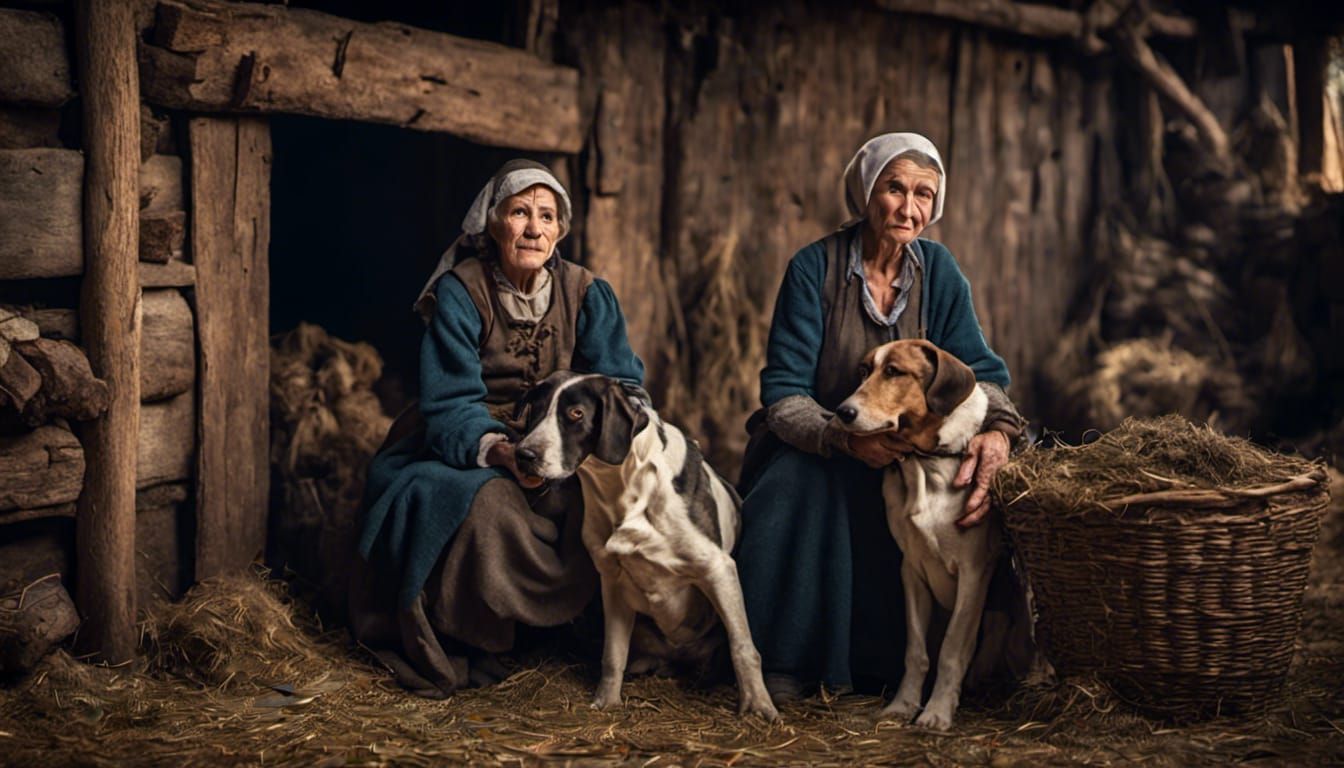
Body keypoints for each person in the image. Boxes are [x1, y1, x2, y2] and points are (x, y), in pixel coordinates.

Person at [735, 133, 1026, 699]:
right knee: (805, 486)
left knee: (927, 501)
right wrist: (842, 440)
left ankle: (881, 671)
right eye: (895, 188)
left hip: (903, 447)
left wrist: (1001, 431)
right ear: (867, 191)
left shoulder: (938, 271)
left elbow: (984, 372)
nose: (909, 207)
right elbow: (783, 394)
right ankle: (786, 665)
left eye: (924, 194)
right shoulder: (813, 268)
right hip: (818, 440)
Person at [351, 159, 645, 697]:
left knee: (598, 501)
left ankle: (579, 637)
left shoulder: (586, 292)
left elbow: (621, 382)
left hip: (559, 437)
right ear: (493, 223)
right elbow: (449, 400)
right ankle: (478, 640)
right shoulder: (462, 293)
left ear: (560, 230)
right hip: (466, 438)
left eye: (547, 216)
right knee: (486, 505)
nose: (534, 228)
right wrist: (503, 450)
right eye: (519, 213)